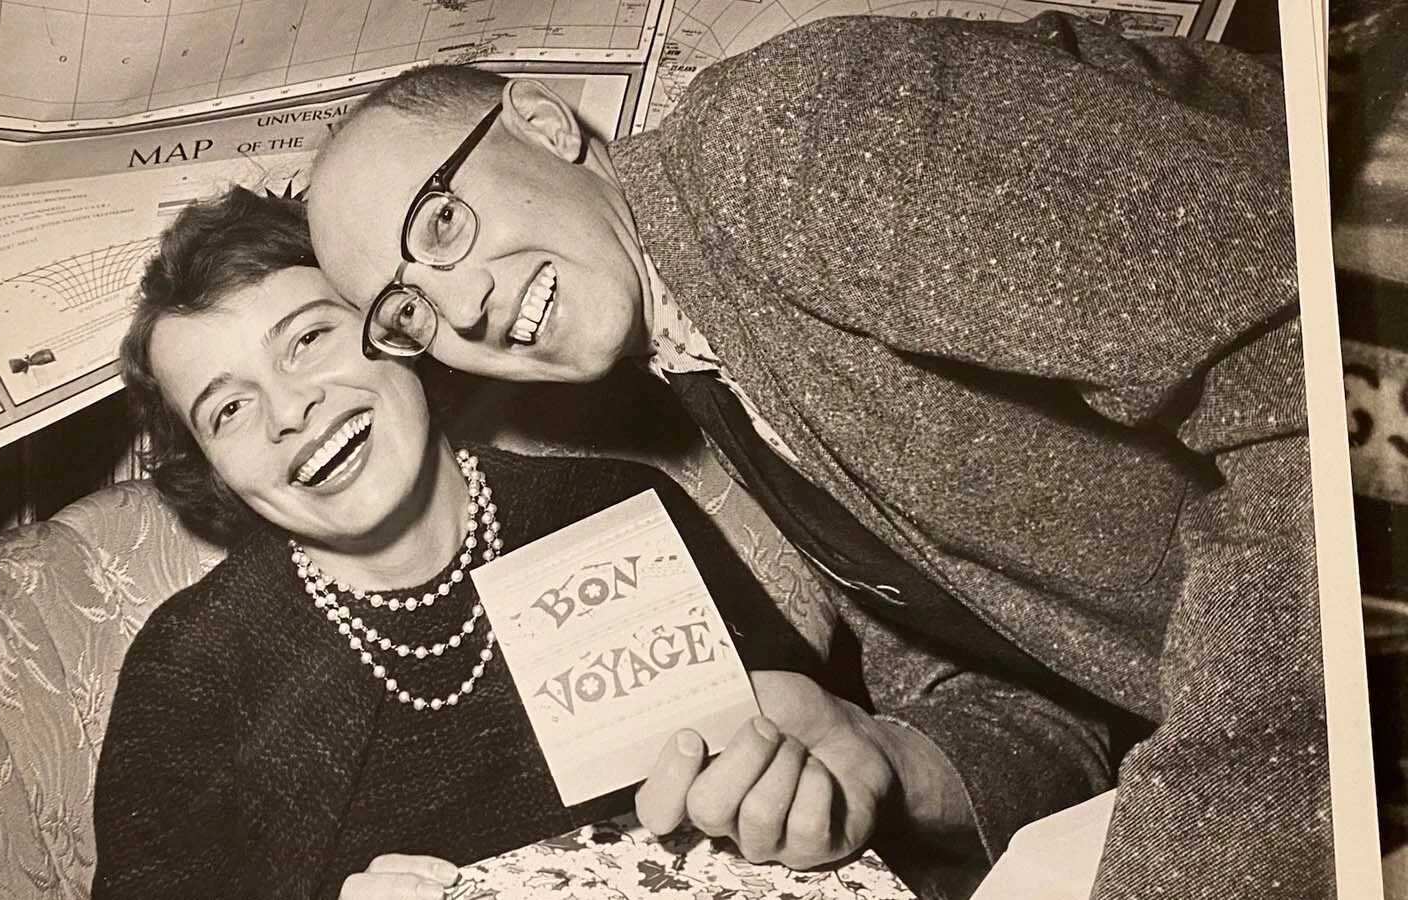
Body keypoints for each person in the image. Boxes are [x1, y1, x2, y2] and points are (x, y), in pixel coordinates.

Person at [304, 11, 1326, 900]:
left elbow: (1317, 375)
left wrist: (1194, 859)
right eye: (408, 312)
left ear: (543, 123)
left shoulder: (786, 138)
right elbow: (1048, 703)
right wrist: (880, 756)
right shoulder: (710, 383)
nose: (462, 307)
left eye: (440, 224)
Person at [90, 187, 824, 900]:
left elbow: (821, 754)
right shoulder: (191, 664)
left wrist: (800, 778)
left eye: (309, 339)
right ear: (213, 471)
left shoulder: (609, 510)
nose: (288, 410)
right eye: (229, 409)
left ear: (401, 324)